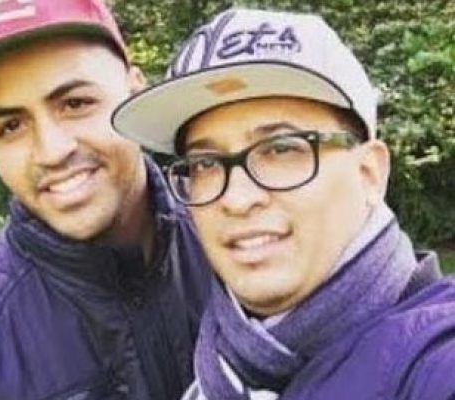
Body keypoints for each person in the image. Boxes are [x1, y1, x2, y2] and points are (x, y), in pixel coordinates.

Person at [113, 8, 455, 400]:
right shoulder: (222, 367)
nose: (237, 199)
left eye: (280, 149)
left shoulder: (434, 362)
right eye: (205, 163)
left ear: (369, 173)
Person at [0, 0, 212, 399]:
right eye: (11, 126)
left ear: (135, 89)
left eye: (75, 104)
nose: (53, 151)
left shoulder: (245, 246)